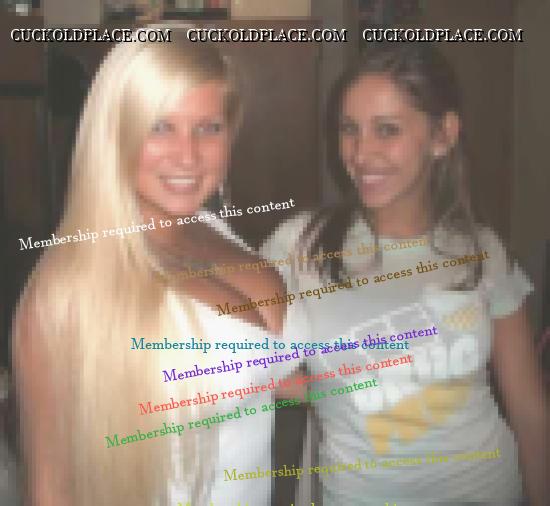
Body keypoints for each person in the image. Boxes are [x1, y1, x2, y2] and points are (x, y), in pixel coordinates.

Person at [13, 32, 304, 506]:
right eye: (160, 127)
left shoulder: (213, 229)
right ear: (115, 135)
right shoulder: (66, 291)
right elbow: (50, 490)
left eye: (208, 128)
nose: (187, 156)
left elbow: (261, 376)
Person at [262, 43, 548, 505]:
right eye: (349, 129)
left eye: (387, 130)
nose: (361, 153)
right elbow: (243, 361)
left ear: (443, 135)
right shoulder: (300, 244)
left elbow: (529, 409)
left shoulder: (482, 249)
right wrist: (328, 386)